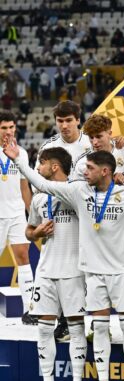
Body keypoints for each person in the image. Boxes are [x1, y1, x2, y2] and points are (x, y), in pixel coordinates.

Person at [1, 146, 124, 381]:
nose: (85, 171)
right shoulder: (77, 191)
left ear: (105, 171)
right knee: (78, 328)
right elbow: (42, 189)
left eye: (90, 168)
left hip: (116, 272)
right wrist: (19, 162)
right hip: (83, 273)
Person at [25, 147, 87, 381]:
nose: (37, 169)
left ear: (54, 167)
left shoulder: (77, 194)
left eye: (40, 163)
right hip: (45, 271)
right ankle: (48, 378)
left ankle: (78, 378)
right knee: (43, 328)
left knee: (76, 327)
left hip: (73, 271)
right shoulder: (39, 198)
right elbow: (29, 230)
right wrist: (37, 232)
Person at [0, 110, 33, 325]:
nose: (9, 132)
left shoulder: (21, 153)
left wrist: (33, 214)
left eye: (12, 127)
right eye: (4, 128)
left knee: (23, 257)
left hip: (17, 214)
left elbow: (24, 186)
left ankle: (29, 308)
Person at [71, 114, 124, 184]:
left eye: (99, 136)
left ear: (109, 134)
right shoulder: (82, 162)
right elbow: (76, 190)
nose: (94, 142)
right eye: (91, 137)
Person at [37, 101, 91, 173]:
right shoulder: (48, 146)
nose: (64, 126)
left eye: (69, 120)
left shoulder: (92, 142)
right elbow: (37, 179)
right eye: (60, 121)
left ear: (78, 121)